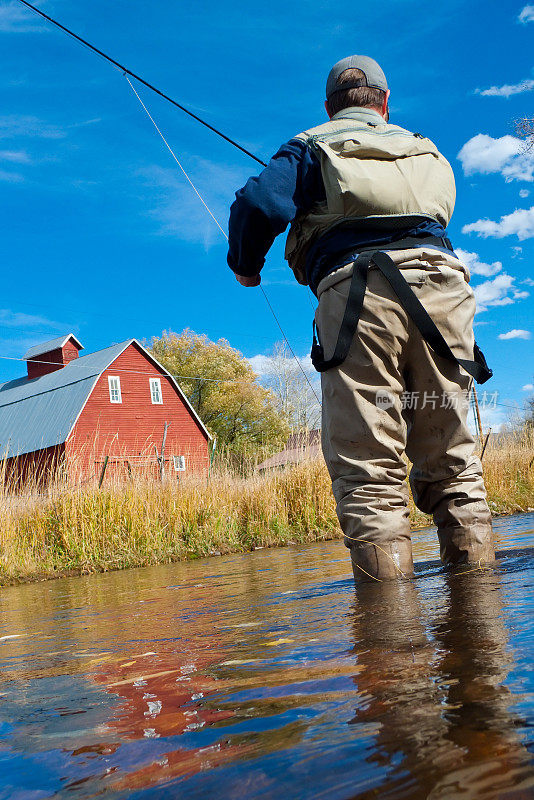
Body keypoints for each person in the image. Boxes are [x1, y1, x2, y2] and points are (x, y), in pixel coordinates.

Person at [227, 55, 495, 581]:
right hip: (445, 300)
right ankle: (481, 635)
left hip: (359, 302)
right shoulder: (429, 152)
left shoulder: (311, 144)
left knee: (370, 476)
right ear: (384, 102)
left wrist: (246, 269)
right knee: (455, 466)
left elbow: (259, 204)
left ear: (329, 108)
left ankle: (390, 648)